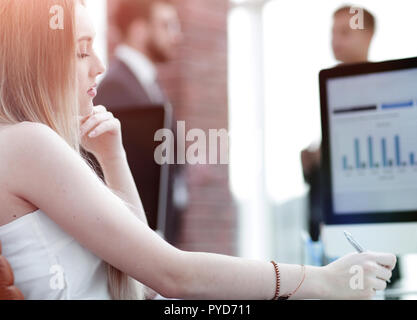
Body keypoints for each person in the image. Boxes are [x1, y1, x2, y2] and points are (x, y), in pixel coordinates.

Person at [0, 0, 395, 300]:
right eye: (83, 50)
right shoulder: (28, 142)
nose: (100, 65)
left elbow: (139, 279)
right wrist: (320, 281)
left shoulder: (31, 144)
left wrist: (112, 157)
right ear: (42, 60)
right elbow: (173, 274)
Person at [94, 0, 187, 247]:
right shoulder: (116, 86)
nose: (176, 36)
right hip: (139, 244)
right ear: (139, 30)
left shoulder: (148, 83)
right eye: (167, 26)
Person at [301, 5, 376, 242]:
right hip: (331, 218)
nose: (335, 40)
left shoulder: (379, 84)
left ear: (368, 36)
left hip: (366, 214)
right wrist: (314, 156)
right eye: (333, 33)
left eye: (345, 32)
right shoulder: (334, 82)